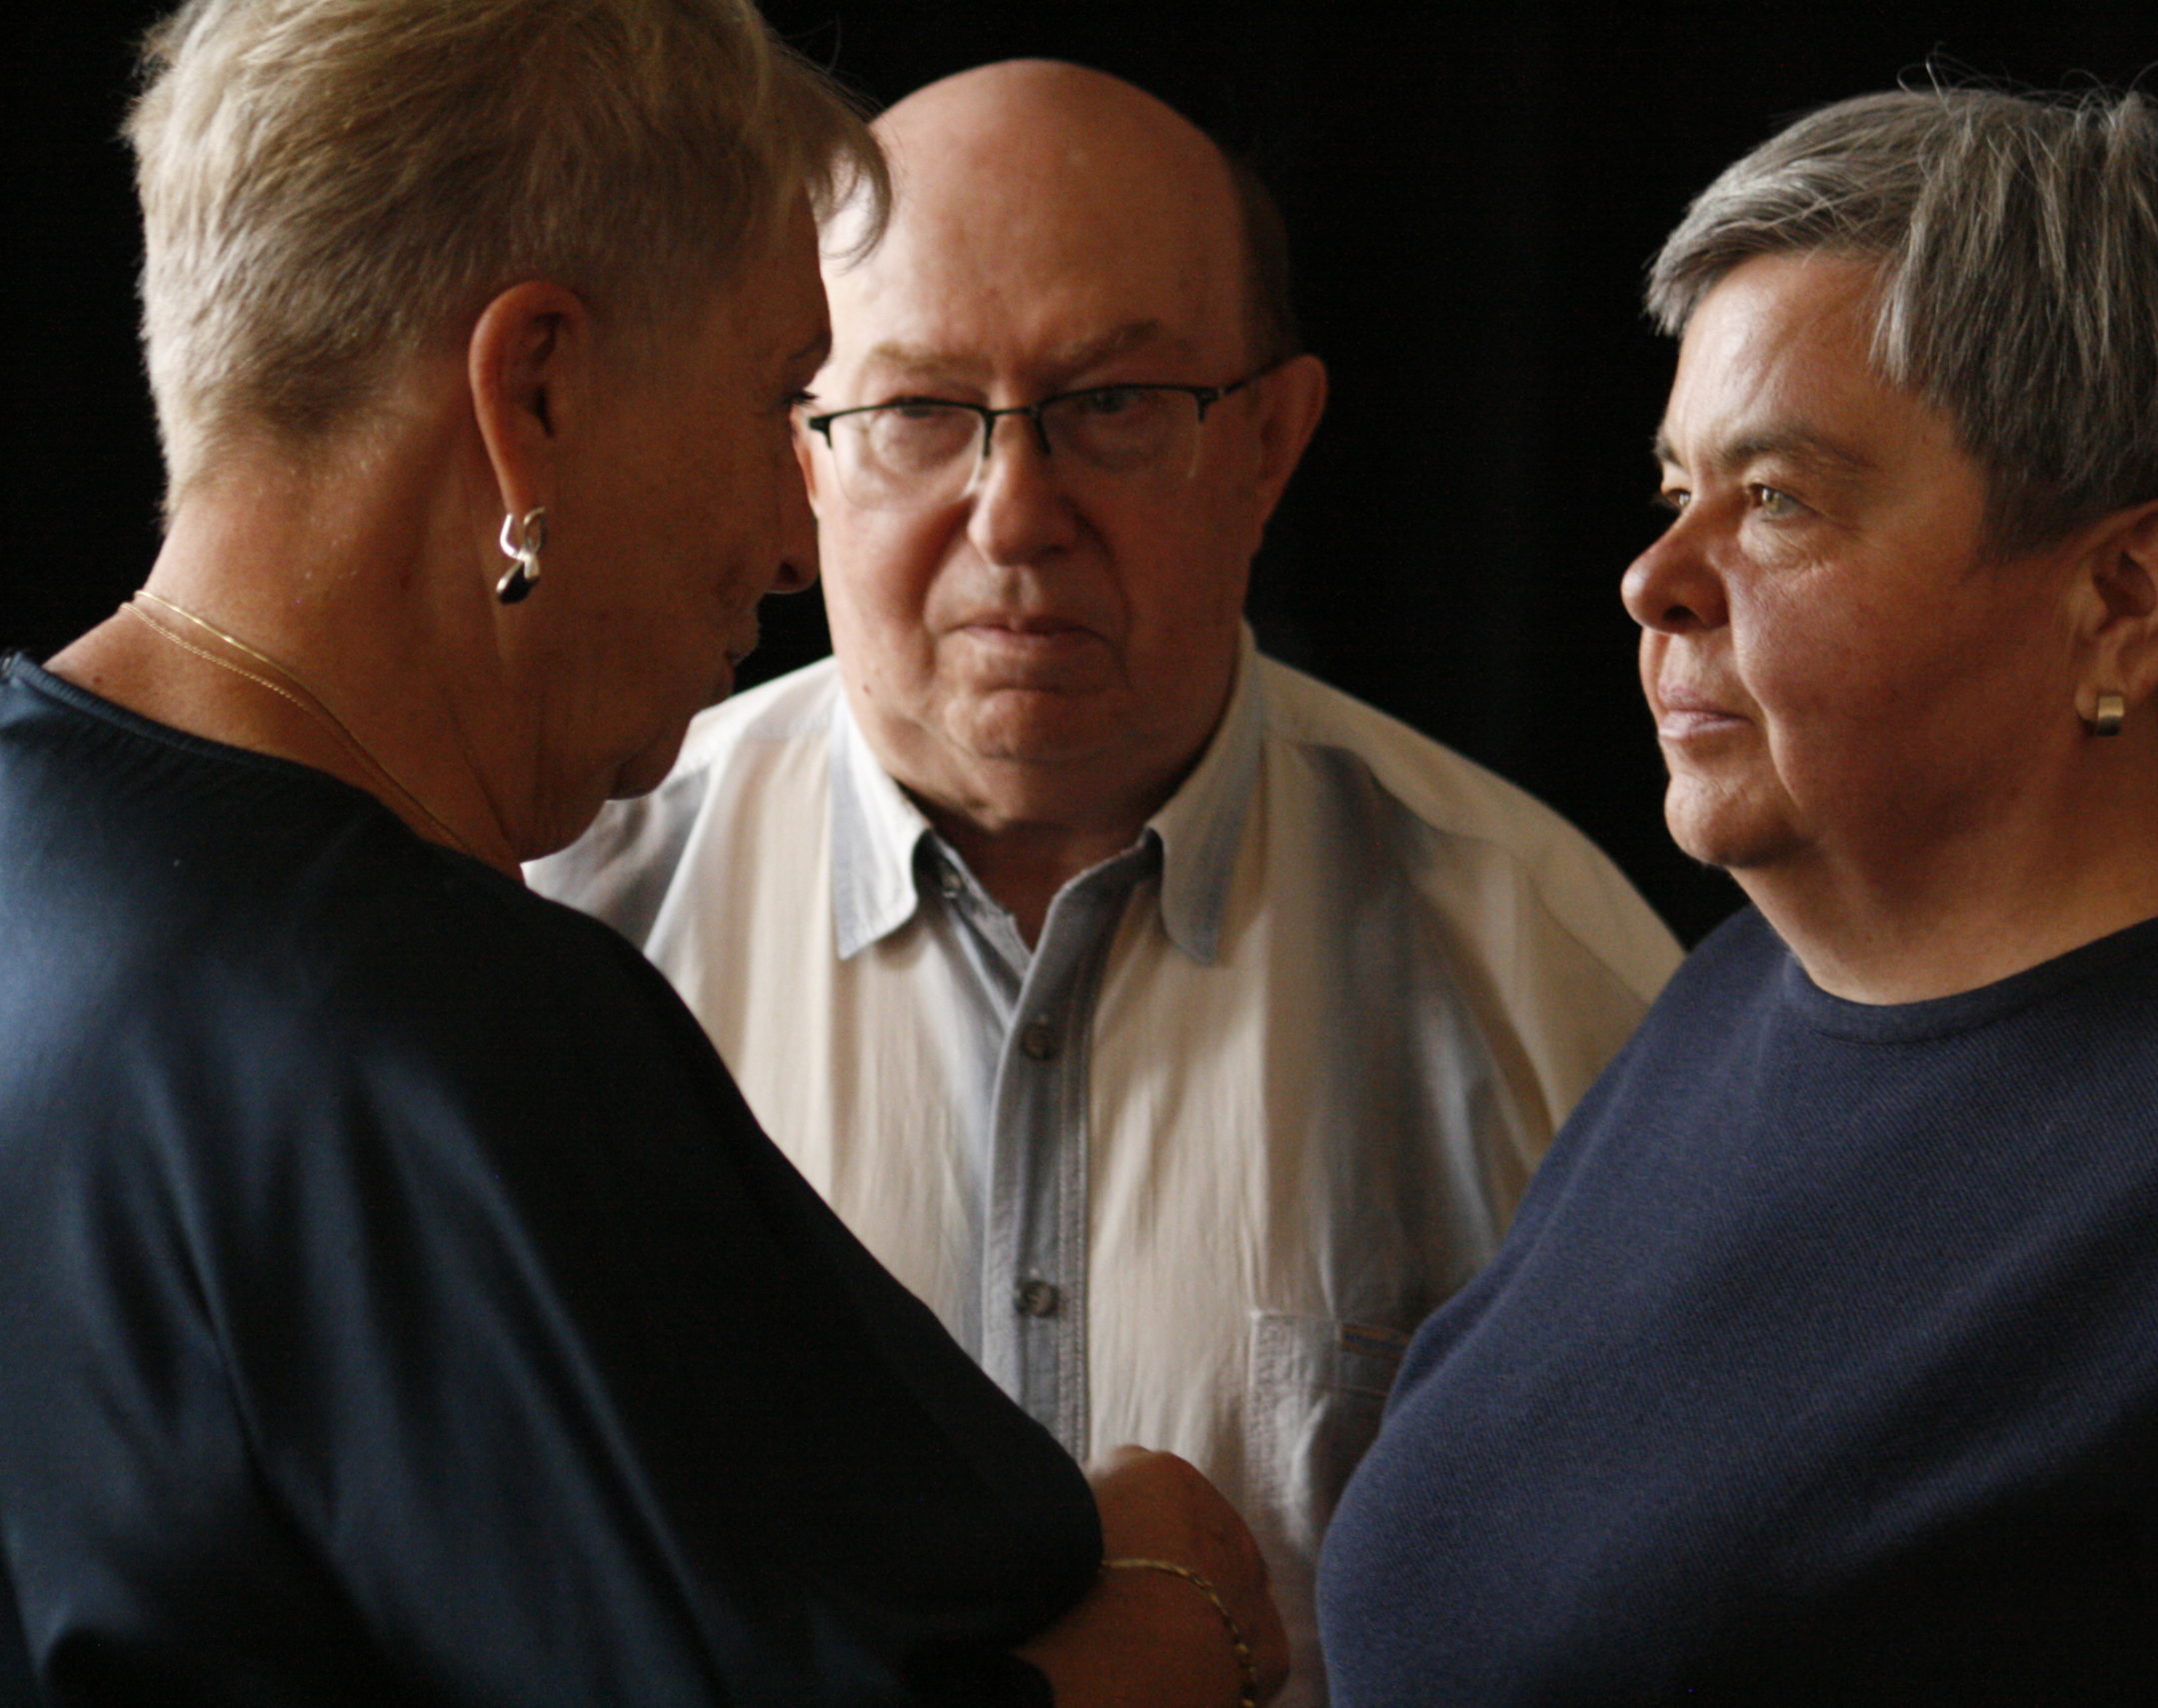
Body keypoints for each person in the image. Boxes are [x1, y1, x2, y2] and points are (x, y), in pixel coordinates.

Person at [0, 4, 1284, 1705]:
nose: (788, 536)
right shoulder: (443, 1034)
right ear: (533, 390)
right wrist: (1172, 1616)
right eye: (776, 398)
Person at [1319, 86, 2158, 1706]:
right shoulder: (1733, 997)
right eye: (1675, 490)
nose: (1654, 579)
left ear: (2124, 599)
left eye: (1777, 498)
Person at [529, 58, 1680, 1700]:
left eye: (1115, 404)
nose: (1015, 515)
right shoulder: (563, 931)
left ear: (1270, 443)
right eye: (919, 410)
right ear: (803, 456)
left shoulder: (1552, 972)